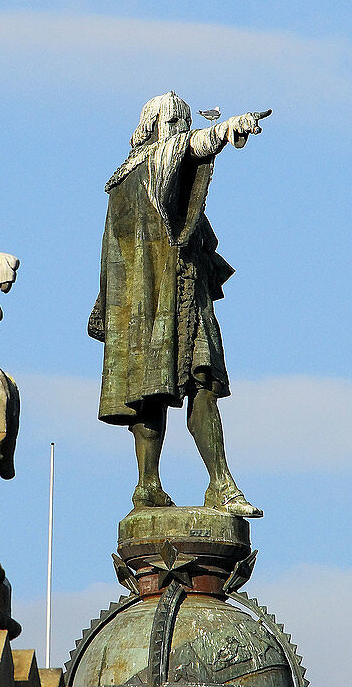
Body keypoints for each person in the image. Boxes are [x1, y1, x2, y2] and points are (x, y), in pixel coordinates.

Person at [89, 92, 268, 517]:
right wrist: (225, 130)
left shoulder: (121, 181)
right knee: (168, 388)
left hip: (147, 306)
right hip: (168, 296)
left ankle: (198, 483)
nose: (179, 131)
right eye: (172, 123)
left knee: (180, 383)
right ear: (150, 130)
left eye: (183, 122)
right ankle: (175, 485)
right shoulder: (149, 168)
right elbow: (184, 149)